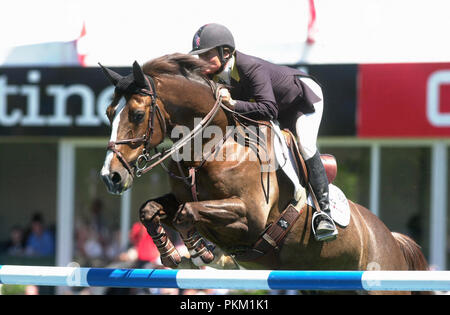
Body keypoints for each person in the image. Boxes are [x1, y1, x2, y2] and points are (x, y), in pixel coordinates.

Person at [189, 23, 337, 241]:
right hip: (276, 106)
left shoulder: (249, 67)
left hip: (302, 100)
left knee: (304, 143)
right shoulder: (215, 75)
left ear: (226, 52)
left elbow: (269, 108)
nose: (201, 62)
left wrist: (233, 104)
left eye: (206, 55)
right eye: (198, 57)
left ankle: (324, 213)